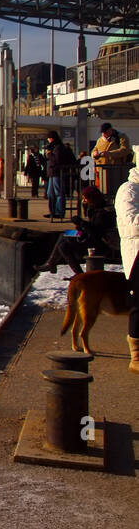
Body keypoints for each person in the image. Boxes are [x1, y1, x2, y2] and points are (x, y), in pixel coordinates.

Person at [34, 185, 120, 275]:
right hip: (90, 235)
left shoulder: (103, 212)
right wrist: (81, 225)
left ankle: (70, 271)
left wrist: (82, 223)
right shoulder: (95, 207)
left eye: (85, 199)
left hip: (99, 242)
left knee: (63, 246)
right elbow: (91, 227)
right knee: (65, 234)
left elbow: (96, 232)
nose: (84, 201)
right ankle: (52, 264)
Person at [116, 147, 139, 373]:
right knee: (138, 305)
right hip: (136, 254)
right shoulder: (128, 189)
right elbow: (131, 222)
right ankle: (136, 357)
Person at [93, 122, 132, 198]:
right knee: (103, 191)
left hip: (116, 170)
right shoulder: (100, 140)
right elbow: (95, 149)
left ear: (110, 130)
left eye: (105, 132)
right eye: (102, 133)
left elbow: (125, 150)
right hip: (102, 171)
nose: (103, 134)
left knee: (116, 191)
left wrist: (109, 154)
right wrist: (94, 153)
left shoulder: (121, 137)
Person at [44, 131, 72, 219]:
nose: (48, 140)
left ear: (52, 138)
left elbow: (57, 160)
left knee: (58, 193)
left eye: (49, 138)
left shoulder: (58, 147)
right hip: (52, 173)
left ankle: (59, 212)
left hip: (57, 172)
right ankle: (53, 212)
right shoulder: (54, 147)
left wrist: (49, 155)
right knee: (50, 193)